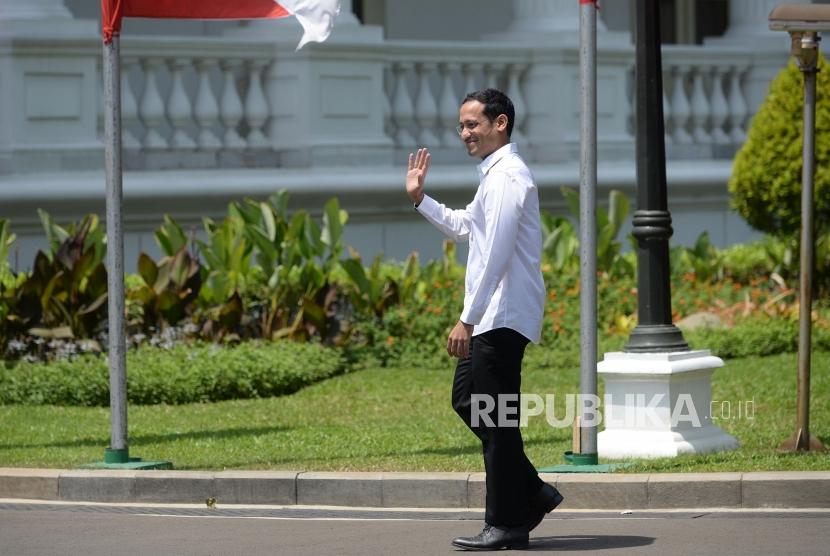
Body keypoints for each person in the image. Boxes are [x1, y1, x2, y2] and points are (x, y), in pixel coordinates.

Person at [404, 88, 564, 551]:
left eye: (473, 124)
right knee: (468, 403)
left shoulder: (510, 177)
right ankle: (532, 492)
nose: (464, 133)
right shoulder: (493, 177)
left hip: (502, 315)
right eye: (462, 125)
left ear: (501, 124)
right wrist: (421, 200)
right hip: (492, 315)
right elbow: (464, 228)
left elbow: (495, 256)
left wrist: (466, 319)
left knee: (495, 419)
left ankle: (505, 522)